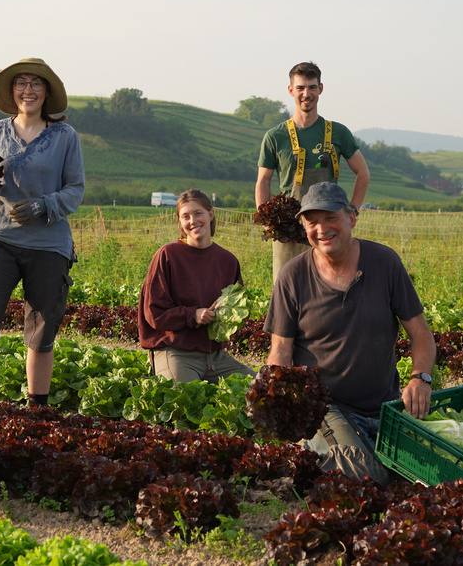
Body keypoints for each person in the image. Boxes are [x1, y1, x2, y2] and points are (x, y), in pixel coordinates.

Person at [264, 181, 435, 485]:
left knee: (422, 472)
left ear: (351, 218)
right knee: (365, 476)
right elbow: (280, 350)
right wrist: (282, 400)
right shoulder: (292, 275)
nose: (322, 229)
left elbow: (420, 334)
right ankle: (312, 446)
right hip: (327, 406)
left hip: (386, 404)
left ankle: (324, 454)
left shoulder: (385, 262)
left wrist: (420, 378)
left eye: (331, 218)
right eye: (312, 222)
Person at [0, 58, 84, 407]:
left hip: (49, 243)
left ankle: (36, 407)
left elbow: (75, 189)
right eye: (21, 83)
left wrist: (43, 205)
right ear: (12, 91)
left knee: (42, 330)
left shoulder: (64, 137)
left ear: (47, 93)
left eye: (36, 84)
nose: (28, 90)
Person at [256, 62, 370, 280]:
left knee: (333, 286)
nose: (306, 94)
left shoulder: (338, 132)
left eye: (312, 87)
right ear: (291, 90)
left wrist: (352, 210)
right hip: (289, 230)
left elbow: (363, 173)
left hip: (329, 228)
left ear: (321, 89)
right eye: (300, 88)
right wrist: (269, 223)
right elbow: (263, 181)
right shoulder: (274, 136)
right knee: (287, 288)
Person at [138, 189, 256, 383]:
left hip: (215, 357)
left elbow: (237, 309)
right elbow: (154, 314)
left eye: (198, 213)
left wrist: (226, 315)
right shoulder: (167, 255)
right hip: (175, 351)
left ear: (211, 214)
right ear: (180, 222)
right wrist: (192, 315)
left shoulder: (228, 260)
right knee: (183, 399)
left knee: (261, 391)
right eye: (185, 216)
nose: (192, 221)